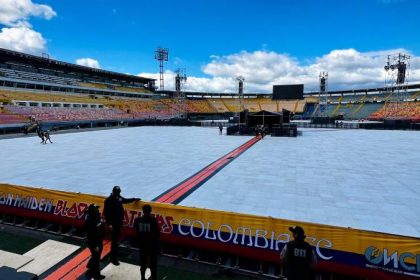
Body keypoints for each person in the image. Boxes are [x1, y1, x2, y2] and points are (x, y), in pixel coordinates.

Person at [104, 186, 141, 265]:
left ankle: (115, 254)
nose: (118, 193)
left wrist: (134, 199)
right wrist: (109, 224)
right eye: (117, 192)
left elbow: (124, 200)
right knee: (114, 241)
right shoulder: (108, 200)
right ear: (113, 191)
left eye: (119, 192)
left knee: (116, 240)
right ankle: (113, 258)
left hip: (118, 222)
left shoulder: (118, 197)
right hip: (113, 223)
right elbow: (106, 213)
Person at [134, 204, 160, 280]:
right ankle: (153, 277)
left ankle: (142, 277)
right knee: (153, 264)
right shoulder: (153, 220)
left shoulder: (137, 220)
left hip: (142, 245)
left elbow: (136, 231)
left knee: (143, 264)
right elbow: (158, 234)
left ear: (143, 211)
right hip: (152, 245)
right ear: (150, 211)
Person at [84, 204, 106, 280]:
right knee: (96, 258)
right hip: (94, 242)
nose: (98, 210)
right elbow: (91, 235)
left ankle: (90, 265)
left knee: (95, 255)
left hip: (97, 240)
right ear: (93, 211)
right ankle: (96, 275)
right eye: (96, 209)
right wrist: (95, 245)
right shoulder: (91, 221)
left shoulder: (94, 217)